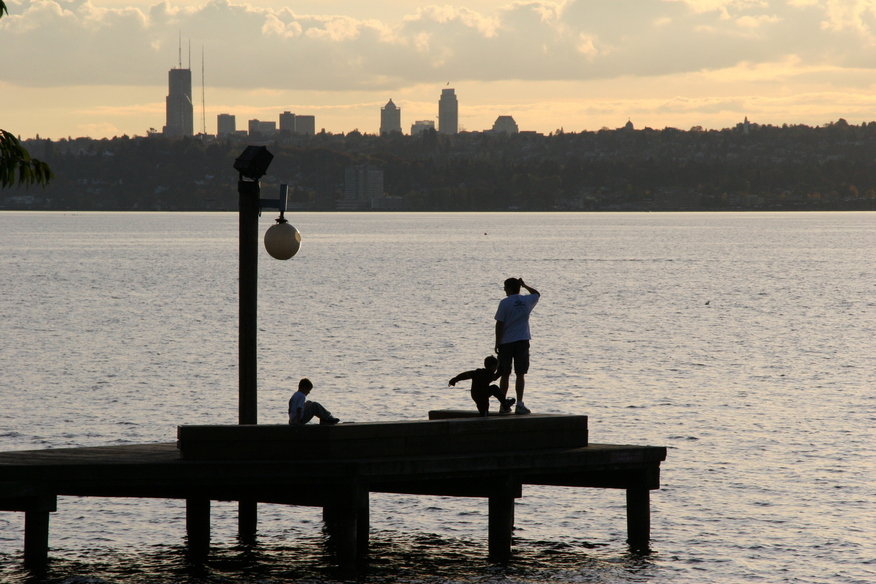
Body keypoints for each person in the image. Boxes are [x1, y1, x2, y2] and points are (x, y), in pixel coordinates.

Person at [495, 277, 540, 415]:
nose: (504, 289)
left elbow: (499, 324)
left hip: (506, 342)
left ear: (509, 288)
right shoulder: (527, 301)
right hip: (522, 341)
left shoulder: (504, 303)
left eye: (505, 287)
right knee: (520, 374)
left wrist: (497, 342)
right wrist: (525, 285)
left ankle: (503, 405)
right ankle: (519, 404)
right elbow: (537, 294)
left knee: (504, 374)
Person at [448, 355, 516, 416]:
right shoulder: (489, 374)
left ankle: (485, 413)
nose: (496, 369)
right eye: (496, 367)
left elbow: (465, 375)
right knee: (494, 388)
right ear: (493, 367)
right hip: (483, 394)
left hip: (475, 395)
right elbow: (496, 377)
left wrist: (455, 379)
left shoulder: (478, 372)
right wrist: (502, 368)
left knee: (484, 410)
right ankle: (505, 404)